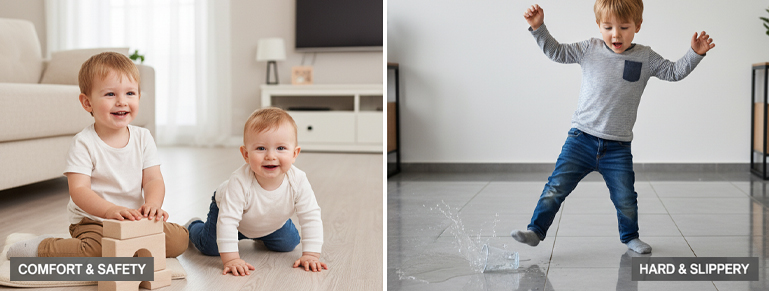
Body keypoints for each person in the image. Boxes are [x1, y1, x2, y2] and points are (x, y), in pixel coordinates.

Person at [510, 0, 715, 254]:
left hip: (617, 146)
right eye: (607, 27)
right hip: (580, 139)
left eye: (624, 27)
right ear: (598, 25)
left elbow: (673, 71)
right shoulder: (589, 48)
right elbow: (557, 52)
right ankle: (536, 231)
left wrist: (695, 53)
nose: (615, 34)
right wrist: (539, 28)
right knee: (556, 186)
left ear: (638, 26)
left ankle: (630, 236)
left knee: (626, 197)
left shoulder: (645, 57)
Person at [6, 52, 188, 258]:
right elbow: (79, 190)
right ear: (87, 103)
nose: (122, 101)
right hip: (93, 222)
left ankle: (132, 246)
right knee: (98, 251)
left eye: (130, 93)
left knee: (178, 240)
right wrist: (109, 211)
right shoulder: (84, 142)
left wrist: (153, 204)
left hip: (134, 220)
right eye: (110, 94)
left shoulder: (143, 137)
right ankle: (42, 247)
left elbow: (153, 179)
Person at [187, 107, 327, 275]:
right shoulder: (239, 182)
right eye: (261, 148)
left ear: (295, 153)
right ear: (246, 154)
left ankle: (261, 235)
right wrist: (232, 259)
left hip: (269, 219)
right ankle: (192, 226)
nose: (270, 156)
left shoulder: (298, 180)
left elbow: (311, 216)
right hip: (228, 215)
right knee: (210, 248)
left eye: (281, 148)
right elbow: (228, 221)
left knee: (289, 243)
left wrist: (311, 255)